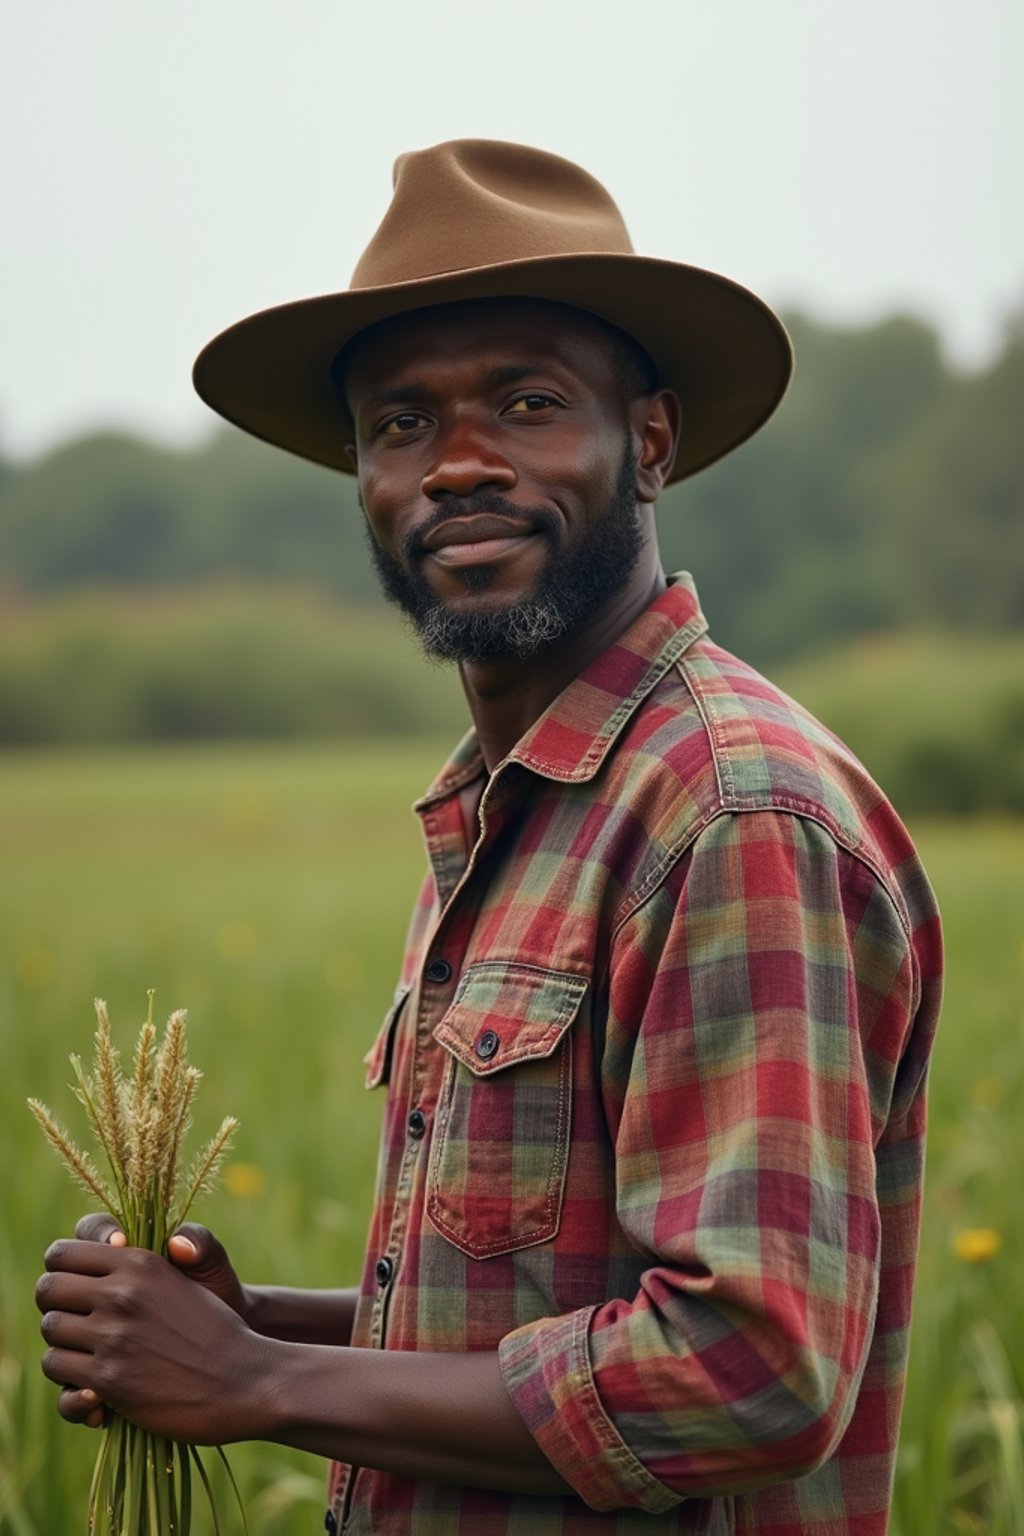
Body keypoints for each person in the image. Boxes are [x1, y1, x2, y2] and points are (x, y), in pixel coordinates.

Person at [37, 140, 942, 1534]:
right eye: (400, 425)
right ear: (361, 478)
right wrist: (252, 1324)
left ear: (647, 440)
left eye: (524, 404)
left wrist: (266, 1381)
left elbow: (754, 1369)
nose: (457, 465)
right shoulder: (517, 805)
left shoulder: (726, 811)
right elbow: (548, 1303)